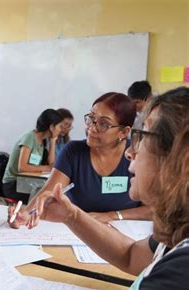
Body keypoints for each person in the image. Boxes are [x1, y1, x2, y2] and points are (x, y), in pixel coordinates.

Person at [0, 86, 189, 290]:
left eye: (142, 136)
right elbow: (132, 255)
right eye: (91, 119)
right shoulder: (175, 237)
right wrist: (71, 215)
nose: (130, 152)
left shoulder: (180, 275)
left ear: (180, 160)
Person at [12, 93, 150, 224]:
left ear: (124, 132)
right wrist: (25, 213)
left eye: (103, 124)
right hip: (78, 233)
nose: (91, 128)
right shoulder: (73, 152)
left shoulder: (137, 155)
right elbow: (48, 193)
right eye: (91, 118)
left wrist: (112, 215)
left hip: (127, 235)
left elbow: (152, 210)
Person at [2, 109, 64, 203]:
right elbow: (22, 167)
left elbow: (52, 164)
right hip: (13, 184)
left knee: (51, 195)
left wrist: (52, 142)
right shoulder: (30, 137)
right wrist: (47, 168)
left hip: (26, 182)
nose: (61, 130)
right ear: (51, 127)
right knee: (47, 198)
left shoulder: (42, 141)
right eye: (59, 126)